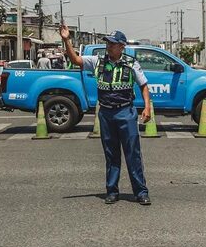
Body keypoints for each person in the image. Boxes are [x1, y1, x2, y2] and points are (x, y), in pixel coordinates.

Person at [60, 24, 152, 206]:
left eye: (113, 44)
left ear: (122, 46)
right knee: (111, 154)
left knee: (133, 154)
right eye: (108, 43)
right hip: (106, 113)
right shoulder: (97, 61)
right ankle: (112, 191)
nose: (109, 46)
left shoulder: (131, 63)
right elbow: (75, 59)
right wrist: (66, 40)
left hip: (126, 111)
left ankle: (141, 192)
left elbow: (143, 85)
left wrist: (147, 107)